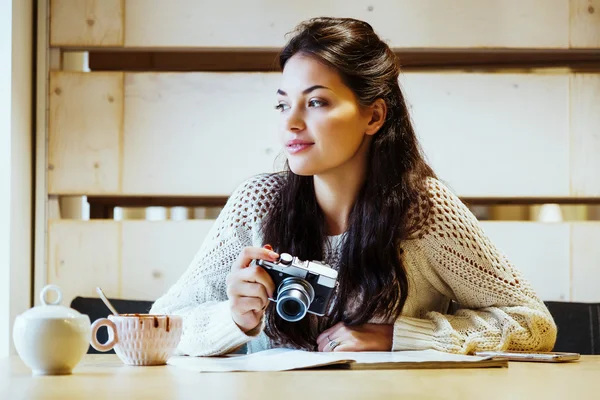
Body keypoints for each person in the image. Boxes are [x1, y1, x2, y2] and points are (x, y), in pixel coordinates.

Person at [150, 17, 557, 356]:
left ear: (374, 116)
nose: (291, 122)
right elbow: (161, 325)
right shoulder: (259, 202)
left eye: (316, 102)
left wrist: (398, 336)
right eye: (282, 103)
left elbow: (533, 324)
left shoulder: (424, 209)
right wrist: (234, 318)